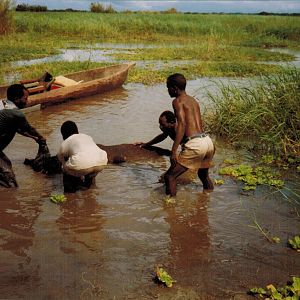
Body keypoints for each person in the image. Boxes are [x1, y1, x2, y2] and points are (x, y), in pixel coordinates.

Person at [164, 73, 215, 196]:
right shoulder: (193, 100)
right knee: (203, 176)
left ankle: (170, 209)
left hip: (196, 144)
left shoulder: (177, 101)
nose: (167, 90)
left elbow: (182, 124)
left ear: (175, 88)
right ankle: (207, 198)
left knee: (170, 177)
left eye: (168, 87)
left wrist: (174, 151)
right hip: (207, 141)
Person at [0, 84, 47, 187]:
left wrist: (33, 137)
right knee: (10, 181)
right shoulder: (15, 113)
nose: (27, 101)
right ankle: (10, 201)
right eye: (25, 98)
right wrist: (41, 137)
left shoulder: (3, 104)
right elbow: (29, 128)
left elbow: (17, 128)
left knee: (6, 164)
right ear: (17, 99)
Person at [57, 120, 108, 193]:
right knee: (89, 162)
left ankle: (70, 192)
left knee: (64, 167)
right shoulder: (86, 136)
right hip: (102, 161)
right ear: (77, 131)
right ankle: (90, 188)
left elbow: (61, 159)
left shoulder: (65, 142)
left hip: (82, 165)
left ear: (63, 135)